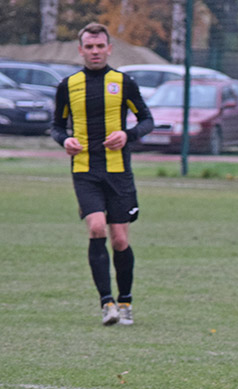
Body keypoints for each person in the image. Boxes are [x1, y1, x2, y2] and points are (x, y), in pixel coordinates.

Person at [51, 23, 153, 326]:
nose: (95, 52)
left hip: (119, 172)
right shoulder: (67, 86)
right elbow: (57, 126)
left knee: (119, 239)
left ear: (109, 49)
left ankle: (125, 302)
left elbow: (147, 120)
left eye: (100, 46)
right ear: (81, 50)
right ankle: (106, 303)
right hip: (85, 170)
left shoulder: (123, 82)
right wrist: (64, 140)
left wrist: (128, 135)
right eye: (89, 47)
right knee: (97, 228)